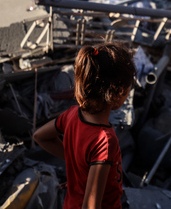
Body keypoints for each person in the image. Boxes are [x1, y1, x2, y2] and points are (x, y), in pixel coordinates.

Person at [34, 44, 135, 209]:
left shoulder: (72, 114)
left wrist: (79, 170)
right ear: (119, 91)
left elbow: (39, 136)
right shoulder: (105, 141)